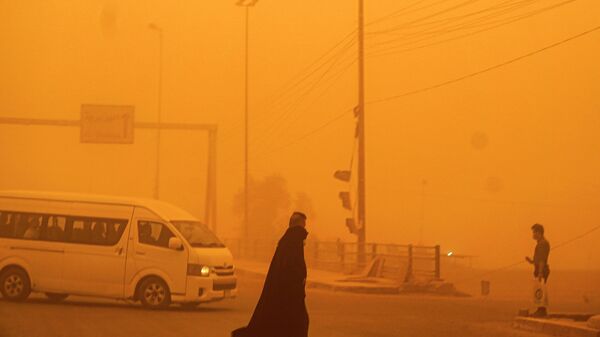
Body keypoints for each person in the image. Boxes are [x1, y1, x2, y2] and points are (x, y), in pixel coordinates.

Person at [232, 212, 309, 337]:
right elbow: (290, 270)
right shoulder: (291, 243)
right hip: (290, 296)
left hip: (292, 296)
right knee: (298, 323)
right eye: (303, 226)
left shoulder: (289, 242)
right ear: (296, 226)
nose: (305, 231)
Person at [525, 223, 550, 317]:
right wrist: (531, 261)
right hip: (540, 269)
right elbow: (538, 259)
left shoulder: (543, 244)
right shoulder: (541, 243)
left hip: (542, 270)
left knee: (540, 290)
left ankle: (541, 311)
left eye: (534, 232)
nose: (533, 234)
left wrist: (540, 273)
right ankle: (540, 310)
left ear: (539, 232)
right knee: (539, 290)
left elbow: (542, 260)